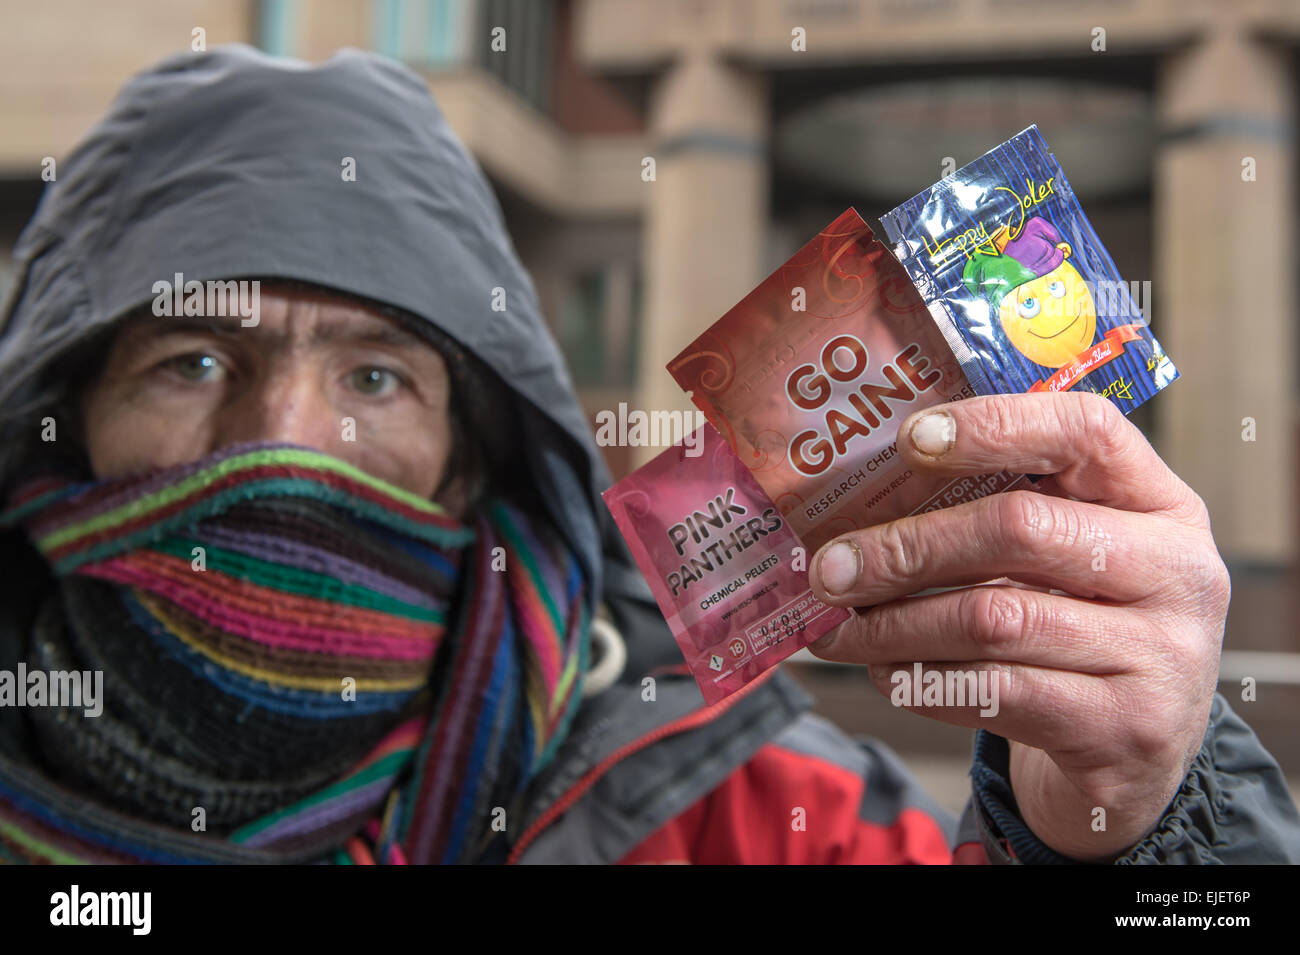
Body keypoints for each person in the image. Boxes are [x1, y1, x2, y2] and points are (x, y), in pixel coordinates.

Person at [0, 44, 1295, 865]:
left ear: (470, 455)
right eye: (193, 362)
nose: (281, 446)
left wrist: (1134, 829)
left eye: (377, 373)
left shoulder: (766, 817)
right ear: (60, 420)